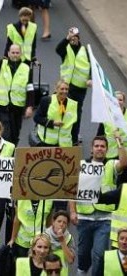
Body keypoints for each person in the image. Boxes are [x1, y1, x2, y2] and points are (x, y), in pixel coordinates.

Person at [69, 135, 127, 276]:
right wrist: (72, 211)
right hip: (84, 217)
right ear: (91, 149)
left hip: (105, 219)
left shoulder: (111, 165)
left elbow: (124, 163)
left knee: (99, 254)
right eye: (97, 146)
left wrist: (119, 143)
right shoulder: (82, 165)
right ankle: (82, 271)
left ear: (107, 150)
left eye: (102, 146)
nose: (99, 149)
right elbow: (71, 190)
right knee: (83, 254)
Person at [0, 30, 33, 145]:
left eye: (17, 53)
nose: (15, 55)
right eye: (13, 52)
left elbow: (30, 88)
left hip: (18, 106)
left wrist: (29, 106)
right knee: (6, 132)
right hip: (3, 105)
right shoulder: (2, 65)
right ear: (8, 53)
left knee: (15, 133)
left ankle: (12, 153)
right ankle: (6, 156)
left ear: (21, 54)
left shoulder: (26, 68)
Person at [56, 27, 91, 145]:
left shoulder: (85, 51)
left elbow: (92, 67)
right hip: (65, 86)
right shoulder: (65, 49)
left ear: (79, 38)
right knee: (62, 110)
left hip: (79, 88)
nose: (73, 39)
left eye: (75, 37)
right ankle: (61, 133)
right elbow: (58, 49)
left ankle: (74, 137)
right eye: (71, 37)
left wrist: (90, 79)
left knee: (76, 113)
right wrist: (67, 38)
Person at [33, 80, 77, 147]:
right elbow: (37, 118)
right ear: (56, 89)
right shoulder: (46, 101)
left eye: (66, 89)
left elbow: (74, 125)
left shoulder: (72, 104)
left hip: (65, 144)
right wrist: (52, 123)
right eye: (62, 89)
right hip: (47, 143)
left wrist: (74, 142)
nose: (64, 91)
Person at [97, 91, 127, 159]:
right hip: (110, 154)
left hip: (124, 154)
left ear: (124, 102)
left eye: (120, 100)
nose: (118, 102)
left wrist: (121, 140)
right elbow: (100, 135)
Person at [44, 211, 74, 276]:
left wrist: (62, 241)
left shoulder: (69, 238)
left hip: (62, 273)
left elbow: (70, 260)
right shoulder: (44, 236)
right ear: (53, 222)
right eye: (59, 221)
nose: (61, 224)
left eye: (64, 223)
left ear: (67, 225)